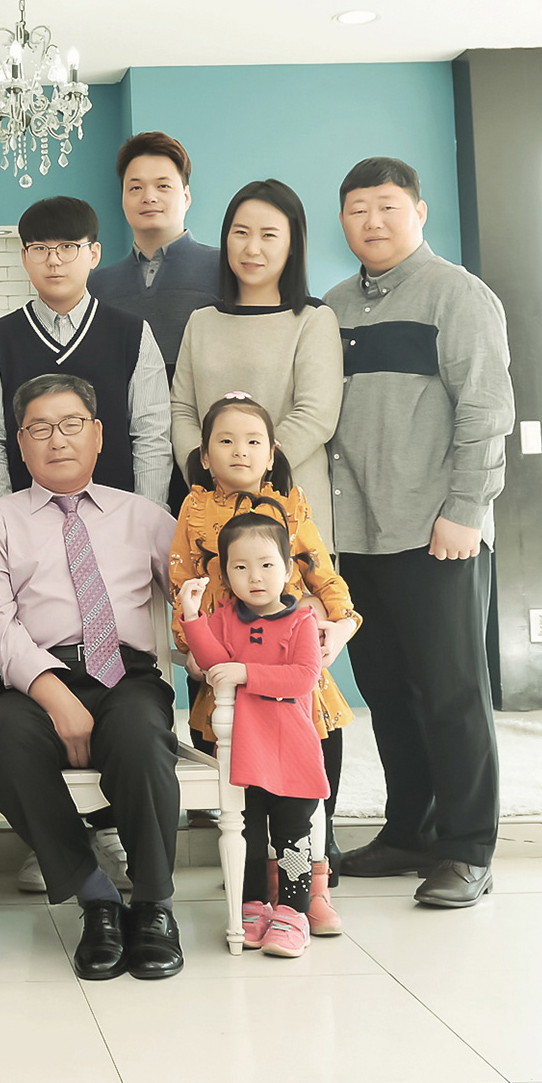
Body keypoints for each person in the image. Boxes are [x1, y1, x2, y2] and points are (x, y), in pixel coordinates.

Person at [325, 156, 514, 909]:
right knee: (388, 693)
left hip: (437, 531)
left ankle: (468, 849)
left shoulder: (457, 295)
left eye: (387, 206)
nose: (372, 221)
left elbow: (486, 409)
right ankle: (410, 832)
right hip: (356, 537)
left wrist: (466, 508)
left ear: (418, 212)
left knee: (451, 693)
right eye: (357, 209)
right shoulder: (334, 306)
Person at [0, 373, 183, 982]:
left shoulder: (146, 517)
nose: (56, 439)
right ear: (20, 443)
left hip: (126, 676)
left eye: (70, 425)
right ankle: (96, 898)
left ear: (98, 435)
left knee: (142, 740)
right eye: (39, 428)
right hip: (38, 678)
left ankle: (154, 906)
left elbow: (195, 600)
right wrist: (55, 695)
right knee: (2, 739)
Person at [169, 393, 357, 936]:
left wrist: (343, 623)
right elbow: (182, 581)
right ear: (204, 455)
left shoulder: (291, 505)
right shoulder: (195, 509)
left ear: (272, 453)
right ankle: (257, 890)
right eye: (225, 441)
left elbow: (322, 572)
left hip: (291, 659)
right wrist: (191, 644)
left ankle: (310, 888)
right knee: (245, 795)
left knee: (307, 784)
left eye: (253, 441)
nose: (240, 451)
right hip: (227, 663)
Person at [180, 512, 328, 958]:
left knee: (292, 834)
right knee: (246, 832)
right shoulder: (225, 618)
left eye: (266, 565)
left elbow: (303, 677)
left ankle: (294, 913)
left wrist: (245, 672)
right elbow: (212, 662)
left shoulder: (301, 620)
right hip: (244, 751)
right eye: (240, 567)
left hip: (292, 750)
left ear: (287, 568)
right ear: (226, 575)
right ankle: (253, 906)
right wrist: (193, 616)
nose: (255, 577)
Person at [0, 196, 170, 511]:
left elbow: (151, 436)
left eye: (68, 247)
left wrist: (147, 516)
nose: (54, 260)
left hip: (117, 519)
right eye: (40, 248)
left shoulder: (132, 334)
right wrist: (1, 520)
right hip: (25, 522)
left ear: (94, 253)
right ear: (24, 257)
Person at [171, 178, 344, 546]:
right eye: (241, 233)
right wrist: (205, 472)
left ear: (293, 245)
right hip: (211, 509)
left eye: (268, 235)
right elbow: (182, 409)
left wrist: (248, 474)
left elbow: (316, 415)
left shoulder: (313, 319)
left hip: (291, 510)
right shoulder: (202, 321)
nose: (252, 248)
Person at [88, 131, 221, 374]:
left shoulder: (225, 267)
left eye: (163, 186)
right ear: (123, 199)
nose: (149, 197)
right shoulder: (97, 285)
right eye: (135, 187)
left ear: (186, 197)